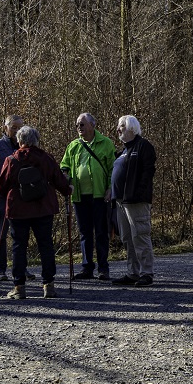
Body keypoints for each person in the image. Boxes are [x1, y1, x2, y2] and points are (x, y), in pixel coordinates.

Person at [0, 126, 71, 299]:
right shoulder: (46, 158)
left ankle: (19, 287)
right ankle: (48, 285)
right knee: (46, 245)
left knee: (18, 247)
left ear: (19, 141)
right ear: (36, 140)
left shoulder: (11, 160)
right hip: (43, 208)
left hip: (18, 210)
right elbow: (59, 181)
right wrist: (68, 190)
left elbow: (1, 187)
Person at [59, 113, 116, 281]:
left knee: (101, 232)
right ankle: (87, 267)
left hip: (99, 195)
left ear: (92, 125)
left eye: (82, 124)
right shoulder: (73, 146)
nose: (79, 128)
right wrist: (65, 177)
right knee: (84, 233)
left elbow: (112, 168)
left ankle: (103, 268)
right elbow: (64, 165)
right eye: (77, 125)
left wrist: (110, 188)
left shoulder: (105, 143)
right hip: (79, 196)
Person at [0, 115, 33, 282]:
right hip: (2, 196)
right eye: (14, 127)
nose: (17, 131)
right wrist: (0, 186)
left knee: (21, 233)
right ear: (5, 128)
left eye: (20, 127)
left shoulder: (26, 147)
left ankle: (20, 268)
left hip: (22, 196)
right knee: (1, 233)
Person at [111, 115, 157, 287]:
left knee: (140, 235)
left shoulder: (143, 146)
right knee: (127, 238)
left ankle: (146, 273)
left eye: (121, 126)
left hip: (136, 201)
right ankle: (133, 272)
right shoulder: (123, 150)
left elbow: (148, 172)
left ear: (131, 127)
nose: (118, 129)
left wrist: (138, 193)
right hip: (120, 202)